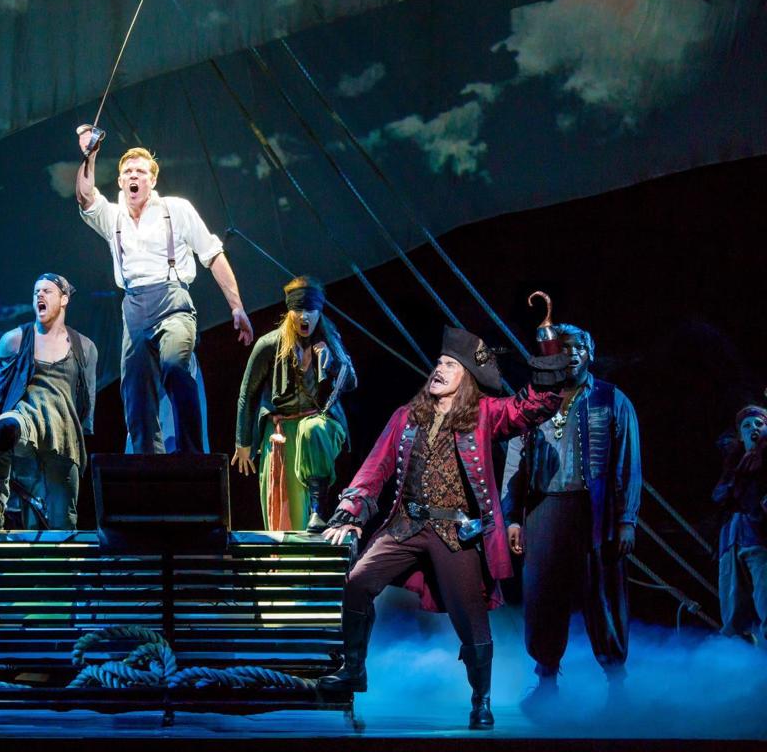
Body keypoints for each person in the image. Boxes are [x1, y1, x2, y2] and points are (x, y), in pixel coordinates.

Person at [320, 326, 567, 730]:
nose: (439, 369)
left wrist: (548, 345)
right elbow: (374, 469)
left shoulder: (485, 414)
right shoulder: (406, 417)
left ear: (466, 377)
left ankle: (481, 700)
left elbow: (537, 405)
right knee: (357, 582)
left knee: (471, 620)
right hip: (407, 525)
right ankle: (353, 669)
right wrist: (351, 514)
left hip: (455, 533)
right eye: (438, 362)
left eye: (450, 365)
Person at [76, 133, 253, 454]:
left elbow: (212, 254)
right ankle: (148, 462)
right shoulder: (113, 216)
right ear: (120, 181)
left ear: (152, 180)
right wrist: (90, 154)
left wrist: (236, 306)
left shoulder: (176, 209)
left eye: (141, 172)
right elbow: (85, 195)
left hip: (173, 302)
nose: (134, 176)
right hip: (134, 307)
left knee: (174, 365)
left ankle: (191, 455)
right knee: (136, 392)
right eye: (128, 172)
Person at [502, 324, 642, 711]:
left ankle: (617, 684)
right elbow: (514, 461)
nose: (573, 352)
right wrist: (512, 517)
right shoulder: (532, 400)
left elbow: (629, 464)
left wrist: (627, 519)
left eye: (580, 346)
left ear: (590, 353)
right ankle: (546, 681)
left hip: (595, 513)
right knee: (542, 596)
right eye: (564, 347)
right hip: (544, 509)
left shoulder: (611, 399)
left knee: (604, 595)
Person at [233, 276, 357, 531]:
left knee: (311, 429)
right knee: (286, 510)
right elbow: (247, 393)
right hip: (282, 429)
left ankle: (318, 511)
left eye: (310, 310)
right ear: (289, 311)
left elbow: (351, 381)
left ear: (319, 311)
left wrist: (331, 362)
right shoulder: (269, 345)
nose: (304, 316)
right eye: (298, 309)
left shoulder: (329, 339)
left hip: (319, 425)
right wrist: (243, 442)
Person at [0, 274, 97, 532]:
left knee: (64, 521)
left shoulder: (84, 347)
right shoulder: (15, 340)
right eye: (36, 292)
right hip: (26, 420)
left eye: (47, 291)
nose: (39, 295)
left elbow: (87, 399)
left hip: (63, 431)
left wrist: (82, 435)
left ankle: (63, 555)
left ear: (64, 299)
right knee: (2, 429)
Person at [712, 404, 767, 642]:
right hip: (731, 539)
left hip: (760, 538)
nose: (753, 428)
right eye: (747, 425)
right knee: (732, 607)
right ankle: (740, 656)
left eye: (759, 424)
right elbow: (719, 496)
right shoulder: (734, 463)